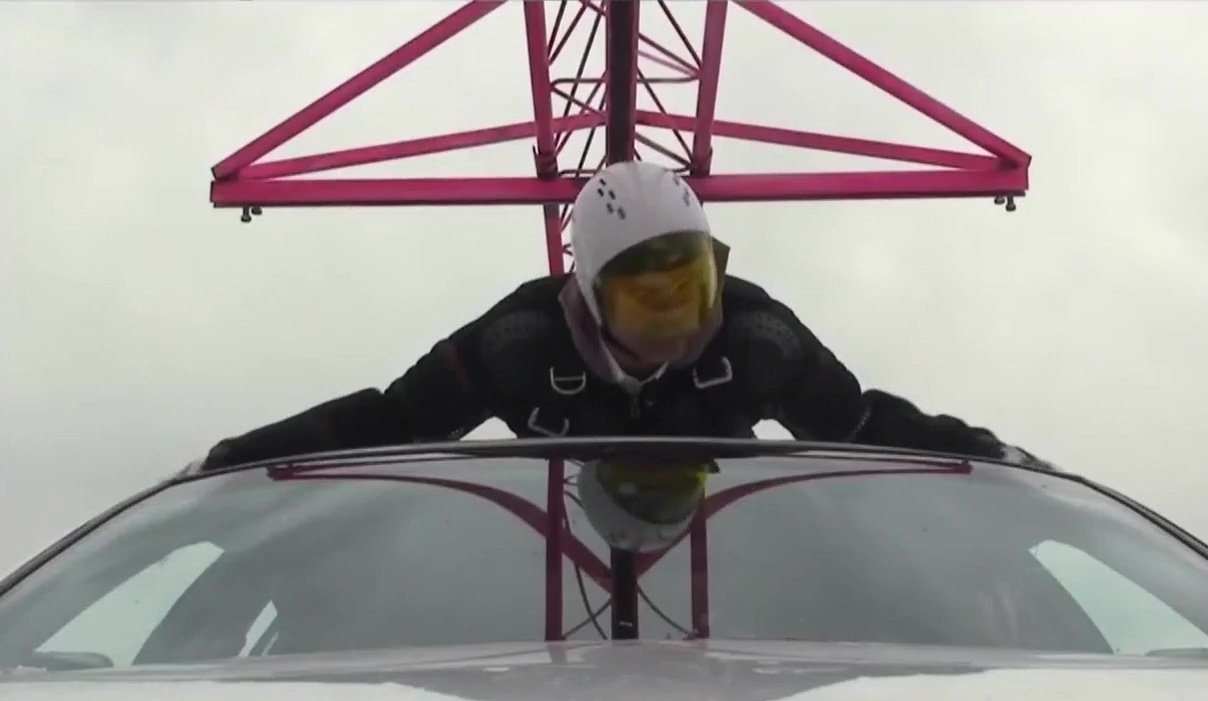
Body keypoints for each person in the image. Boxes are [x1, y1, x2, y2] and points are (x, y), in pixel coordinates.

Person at [185, 160, 1052, 475]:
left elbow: (862, 429)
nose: (679, 320)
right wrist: (240, 460)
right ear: (591, 293)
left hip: (723, 554)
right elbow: (392, 422)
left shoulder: (759, 336)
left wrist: (993, 457)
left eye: (694, 286)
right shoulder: (519, 342)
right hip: (554, 547)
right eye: (647, 296)